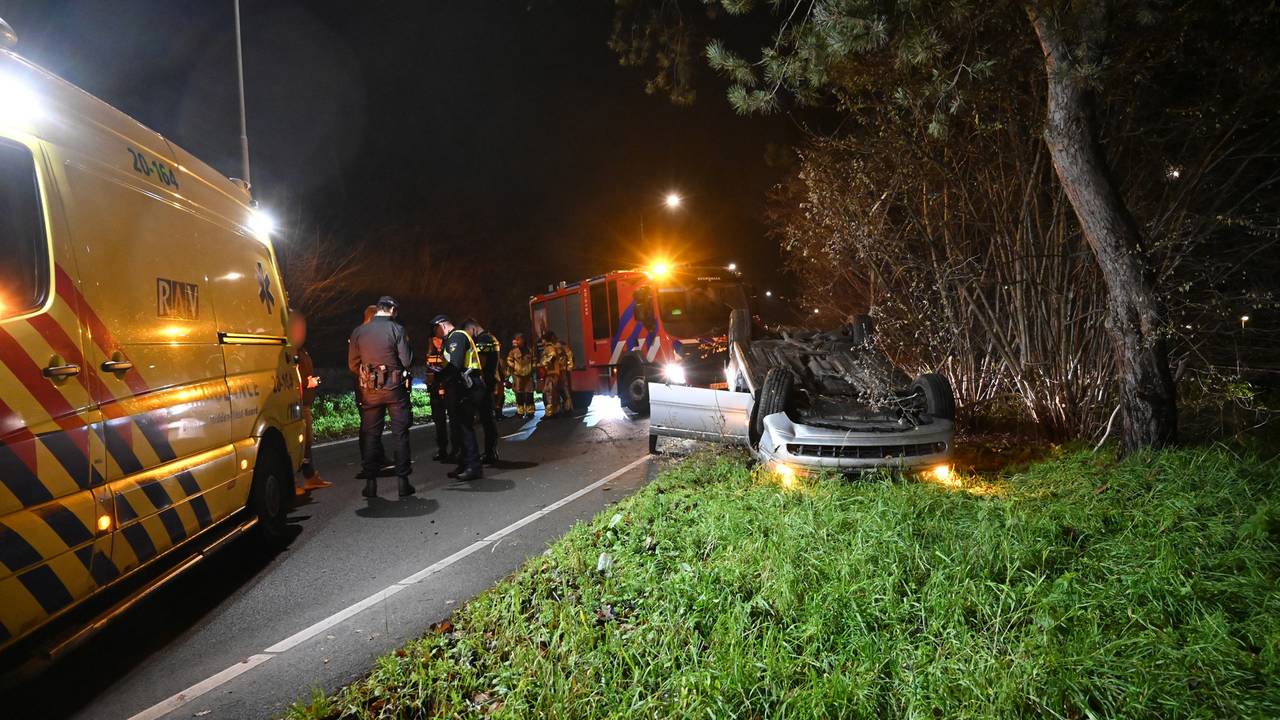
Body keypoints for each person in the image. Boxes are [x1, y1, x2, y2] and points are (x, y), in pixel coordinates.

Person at [348, 296, 415, 497]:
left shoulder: (359, 331)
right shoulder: (397, 329)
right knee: (400, 434)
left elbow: (352, 364)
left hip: (370, 391)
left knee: (371, 435)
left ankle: (370, 483)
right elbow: (407, 360)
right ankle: (403, 482)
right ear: (392, 309)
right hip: (394, 389)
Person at [433, 314, 483, 481]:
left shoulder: (457, 337)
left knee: (464, 427)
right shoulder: (451, 339)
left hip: (466, 386)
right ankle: (464, 463)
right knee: (457, 427)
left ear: (442, 325)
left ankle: (473, 466)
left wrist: (439, 377)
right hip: (459, 386)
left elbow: (455, 365)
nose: (435, 333)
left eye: (435, 329)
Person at [289, 310, 332, 495]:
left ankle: (310, 476)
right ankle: (295, 482)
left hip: (304, 402)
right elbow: (291, 378)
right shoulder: (289, 351)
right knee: (298, 444)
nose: (302, 332)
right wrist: (308, 382)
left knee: (307, 442)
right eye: (298, 328)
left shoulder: (301, 349)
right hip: (295, 404)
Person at [353, 304, 390, 473]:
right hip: (365, 386)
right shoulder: (362, 334)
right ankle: (369, 461)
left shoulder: (363, 333)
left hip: (372, 385)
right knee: (368, 425)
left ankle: (378, 457)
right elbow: (354, 363)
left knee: (375, 424)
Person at [464, 319, 502, 463]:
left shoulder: (484, 339)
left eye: (469, 334)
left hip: (486, 382)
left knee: (487, 420)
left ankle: (490, 453)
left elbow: (481, 362)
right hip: (490, 380)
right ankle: (490, 451)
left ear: (473, 328)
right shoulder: (490, 337)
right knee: (487, 420)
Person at [424, 333, 452, 462]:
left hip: (449, 388)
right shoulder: (430, 353)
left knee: (454, 421)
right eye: (435, 339)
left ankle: (456, 449)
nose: (438, 342)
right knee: (439, 422)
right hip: (435, 390)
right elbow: (429, 372)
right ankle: (442, 450)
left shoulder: (449, 350)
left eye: (440, 339)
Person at [505, 332, 537, 418]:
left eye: (519, 339)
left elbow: (534, 360)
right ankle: (520, 411)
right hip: (517, 376)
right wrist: (513, 368)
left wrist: (533, 368)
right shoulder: (513, 352)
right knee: (519, 394)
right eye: (516, 339)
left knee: (529, 394)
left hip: (528, 375)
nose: (517, 341)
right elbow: (509, 361)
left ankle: (530, 411)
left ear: (523, 340)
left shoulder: (529, 350)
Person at [538, 330, 566, 417]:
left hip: (551, 373)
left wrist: (543, 364)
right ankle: (556, 411)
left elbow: (552, 356)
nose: (542, 342)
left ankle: (550, 413)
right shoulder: (552, 347)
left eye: (543, 340)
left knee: (548, 393)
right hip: (553, 373)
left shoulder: (549, 348)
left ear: (545, 340)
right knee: (554, 393)